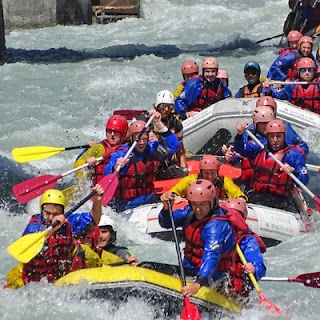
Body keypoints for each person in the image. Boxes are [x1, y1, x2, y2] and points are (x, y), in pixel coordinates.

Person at [159, 179, 250, 298]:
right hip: (189, 270)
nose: (198, 209)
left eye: (202, 204)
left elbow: (211, 256)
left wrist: (198, 283)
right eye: (195, 204)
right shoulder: (190, 212)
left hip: (212, 277)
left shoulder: (216, 227)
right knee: (148, 267)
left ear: (211, 202)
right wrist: (166, 209)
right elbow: (166, 223)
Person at [20, 185, 105, 285]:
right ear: (41, 210)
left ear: (62, 213)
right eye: (47, 213)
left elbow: (94, 219)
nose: (51, 217)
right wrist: (52, 228)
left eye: (56, 214)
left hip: (62, 280)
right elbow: (32, 240)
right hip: (36, 285)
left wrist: (97, 201)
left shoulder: (66, 222)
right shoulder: (34, 227)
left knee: (80, 251)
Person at [103, 110, 180, 211]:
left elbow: (174, 145)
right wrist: (116, 166)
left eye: (145, 138)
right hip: (126, 205)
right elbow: (107, 173)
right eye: (138, 139)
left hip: (146, 199)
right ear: (131, 138)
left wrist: (158, 124)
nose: (142, 142)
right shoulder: (123, 154)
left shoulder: (150, 149)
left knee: (172, 198)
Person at [234, 119, 309, 211]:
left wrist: (293, 172)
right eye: (272, 136)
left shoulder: (294, 155)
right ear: (267, 136)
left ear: (284, 136)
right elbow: (241, 150)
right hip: (256, 194)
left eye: (279, 136)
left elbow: (304, 179)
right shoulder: (259, 147)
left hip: (281, 200)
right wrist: (239, 136)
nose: (275, 140)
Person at [221, 199, 266, 299]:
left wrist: (254, 269)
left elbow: (260, 266)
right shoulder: (215, 232)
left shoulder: (247, 240)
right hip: (214, 281)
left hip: (234, 293)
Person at [169, 154, 247, 203]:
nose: (209, 177)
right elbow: (176, 189)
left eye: (212, 173)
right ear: (201, 171)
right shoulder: (191, 180)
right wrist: (174, 195)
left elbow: (234, 190)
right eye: (206, 173)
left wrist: (240, 197)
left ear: (217, 171)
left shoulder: (224, 181)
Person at [73, 114, 128, 183]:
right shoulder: (99, 148)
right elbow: (77, 166)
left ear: (123, 134)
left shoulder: (129, 148)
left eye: (116, 132)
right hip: (98, 188)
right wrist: (88, 165)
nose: (112, 134)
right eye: (109, 131)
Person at [153, 90, 188, 175]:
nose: (166, 109)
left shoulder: (176, 124)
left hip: (165, 162)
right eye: (163, 106)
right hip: (150, 161)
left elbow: (180, 148)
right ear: (157, 106)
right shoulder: (147, 120)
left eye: (170, 107)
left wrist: (184, 167)